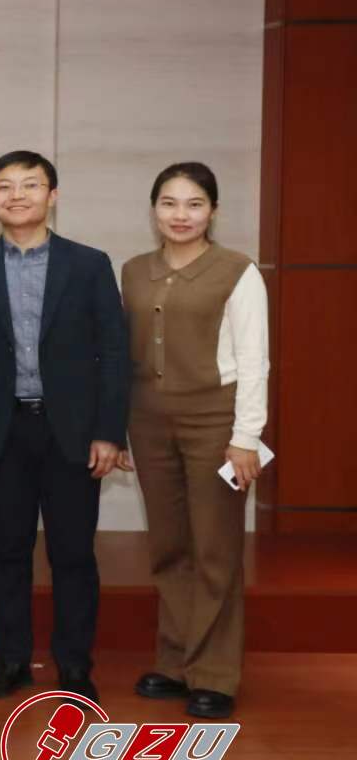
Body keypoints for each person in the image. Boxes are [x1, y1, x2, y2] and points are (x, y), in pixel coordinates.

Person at [0, 151, 128, 704]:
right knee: (6, 551)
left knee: (72, 553)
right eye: (5, 187)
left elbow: (114, 351)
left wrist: (109, 431)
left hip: (72, 432)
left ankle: (74, 665)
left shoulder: (89, 264)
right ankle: (11, 661)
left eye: (30, 185)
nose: (17, 196)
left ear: (52, 196)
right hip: (1, 430)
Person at [118, 162, 267, 721]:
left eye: (194, 204)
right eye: (169, 203)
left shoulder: (238, 271)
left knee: (214, 549)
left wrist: (246, 436)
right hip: (148, 422)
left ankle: (215, 674)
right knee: (169, 546)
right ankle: (176, 661)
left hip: (216, 424)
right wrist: (117, 428)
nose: (181, 215)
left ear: (213, 211)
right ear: (153, 209)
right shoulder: (134, 271)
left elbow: (254, 361)